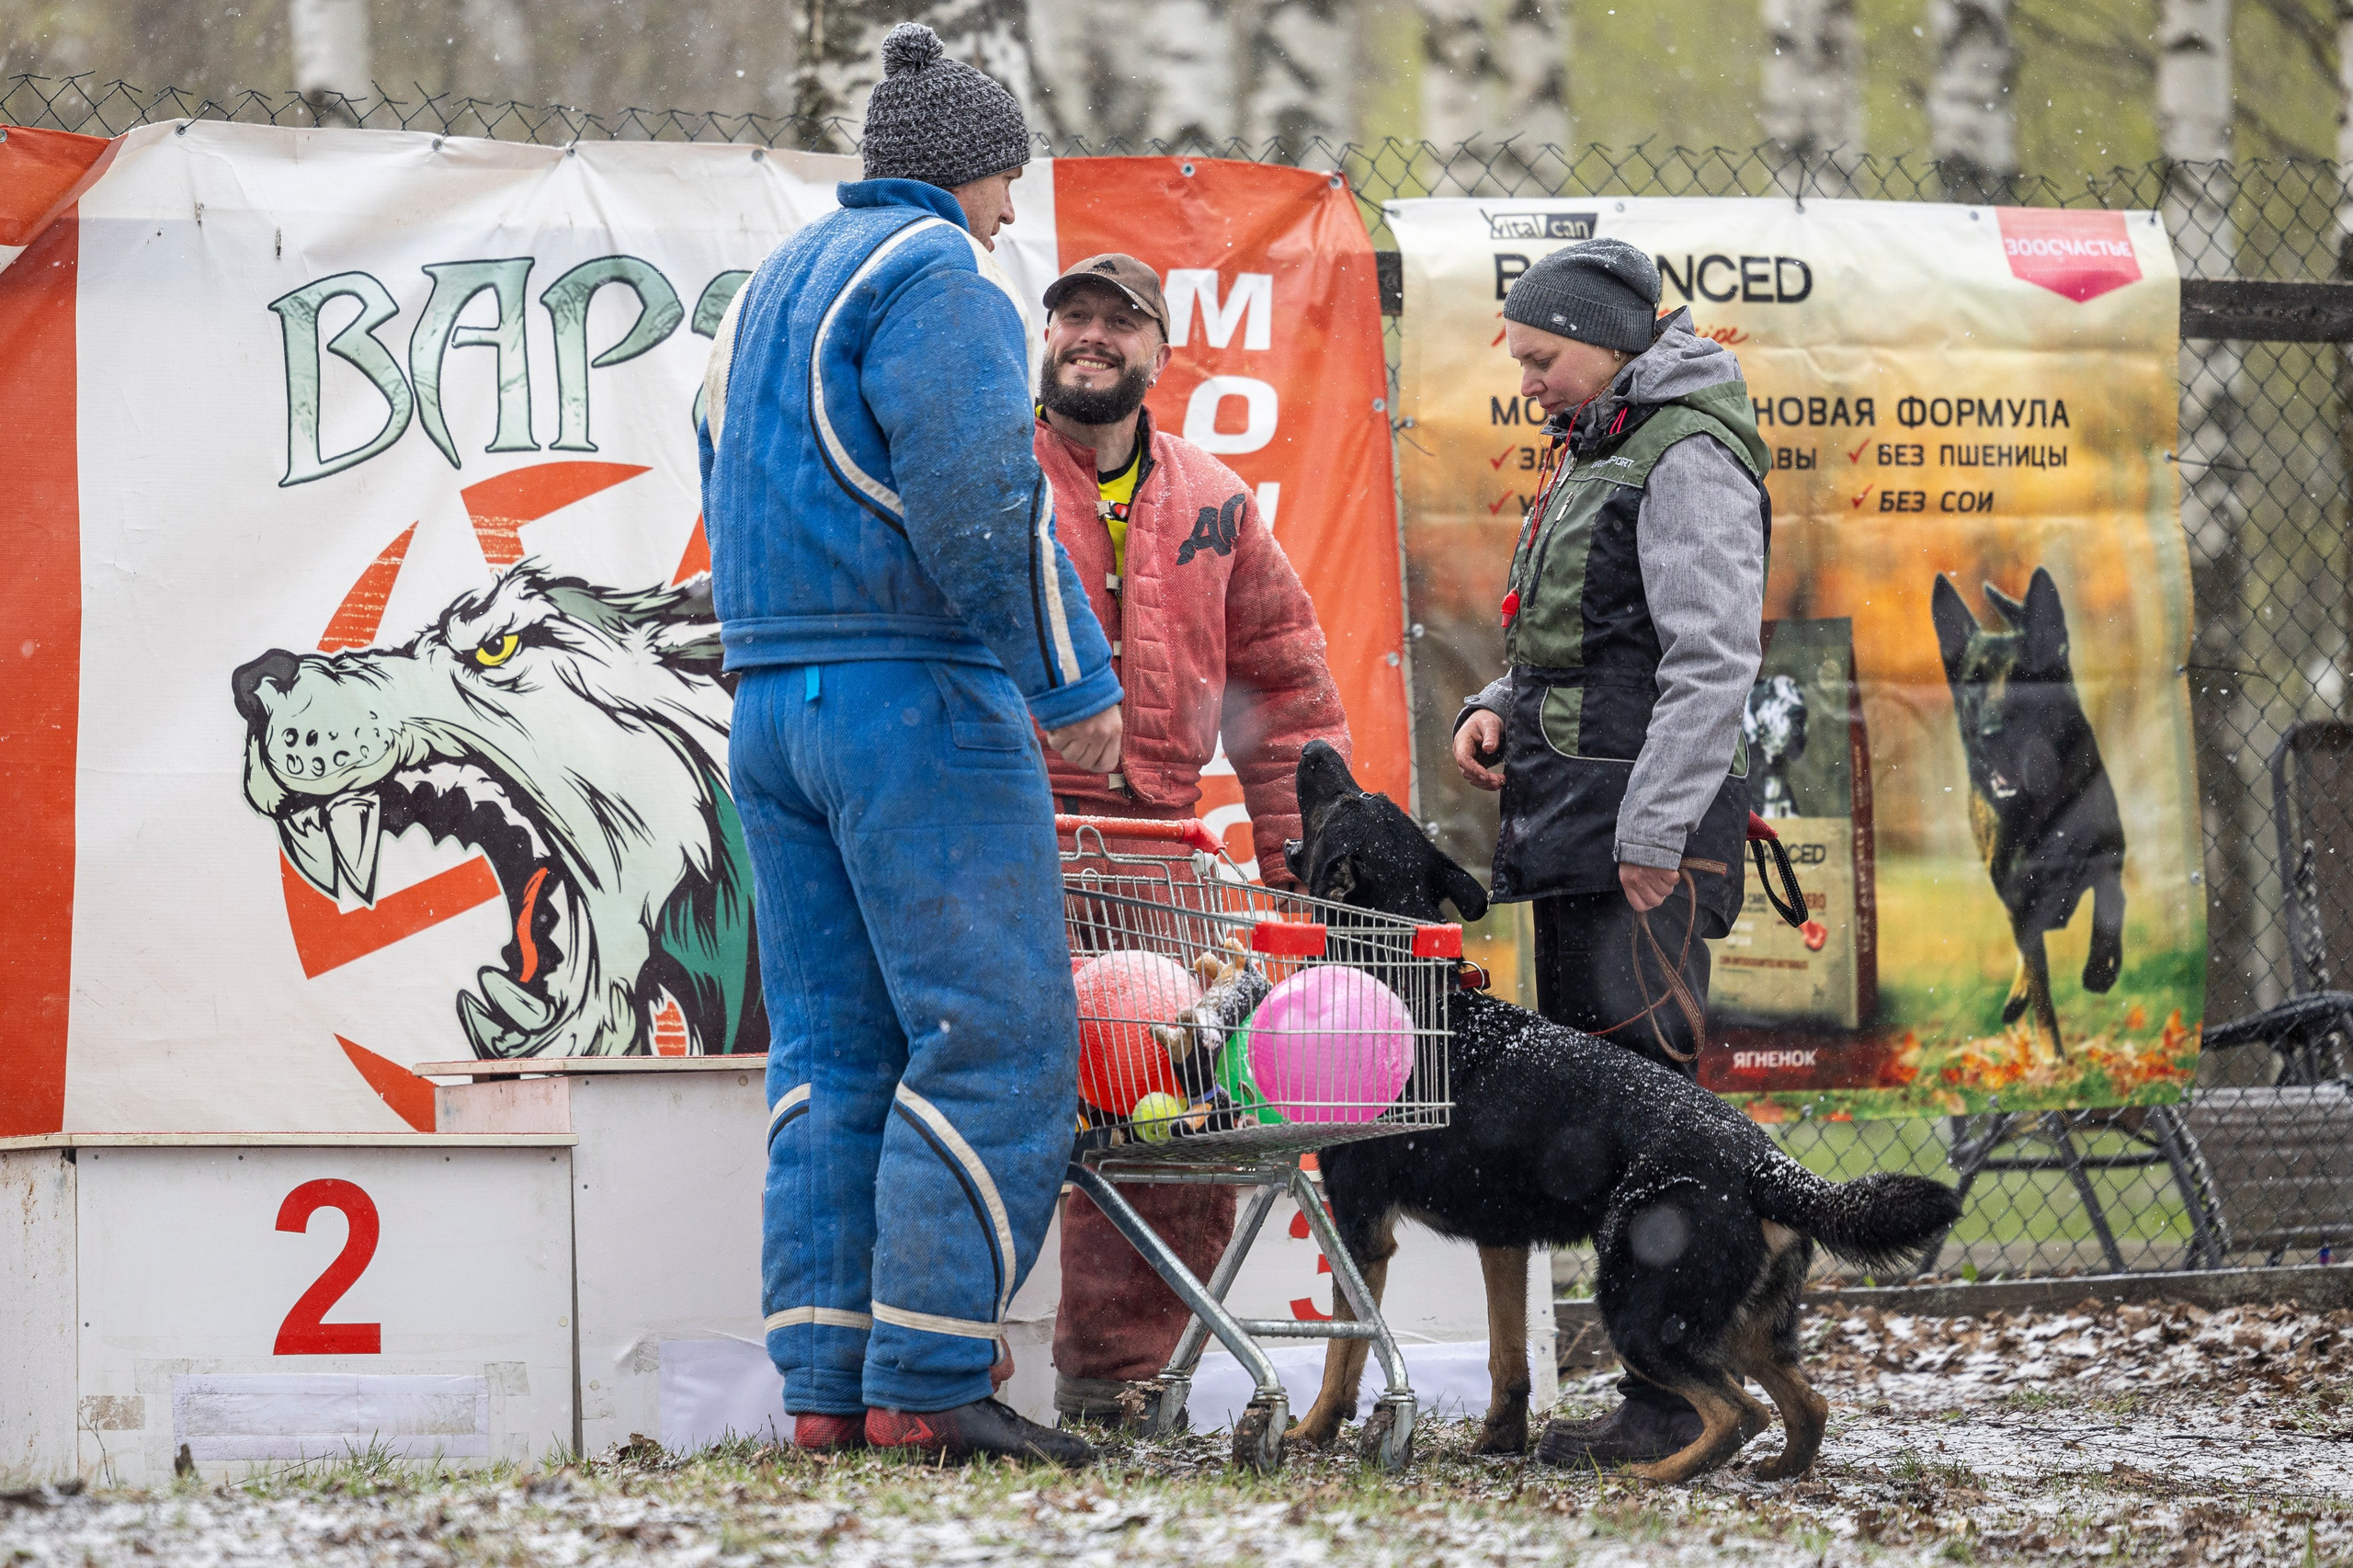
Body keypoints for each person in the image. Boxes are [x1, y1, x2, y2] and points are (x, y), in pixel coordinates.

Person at [699, 21, 1120, 1468]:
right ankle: (932, 1377)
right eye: (1007, 182)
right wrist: (1071, 681)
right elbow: (980, 503)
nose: (1010, 213)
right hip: (911, 703)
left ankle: (827, 1383)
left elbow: (720, 464)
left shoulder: (774, 284)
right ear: (971, 171)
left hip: (772, 706)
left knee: (834, 1046)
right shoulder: (937, 272)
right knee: (990, 1033)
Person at [1449, 238, 1769, 1469]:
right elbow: (1591, 635)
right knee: (1604, 1121)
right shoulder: (1603, 440)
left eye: (1542, 356)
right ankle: (1668, 1381)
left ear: (1604, 339)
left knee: (1659, 1126)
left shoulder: (1685, 451)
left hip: (1639, 843)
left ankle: (1673, 1399)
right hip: (1581, 828)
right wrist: (1498, 703)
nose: (1527, 379)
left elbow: (1710, 655)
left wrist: (1654, 828)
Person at [1029, 254, 1349, 1427]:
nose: (1092, 336)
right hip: (1006, 831)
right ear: (1044, 338)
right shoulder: (988, 476)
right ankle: (934, 1382)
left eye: (1119, 322)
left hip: (1158, 854)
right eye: (1072, 316)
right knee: (981, 1101)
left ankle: (1115, 1388)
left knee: (1174, 1113)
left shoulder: (1216, 498)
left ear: (1161, 353)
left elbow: (1287, 693)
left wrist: (1302, 868)